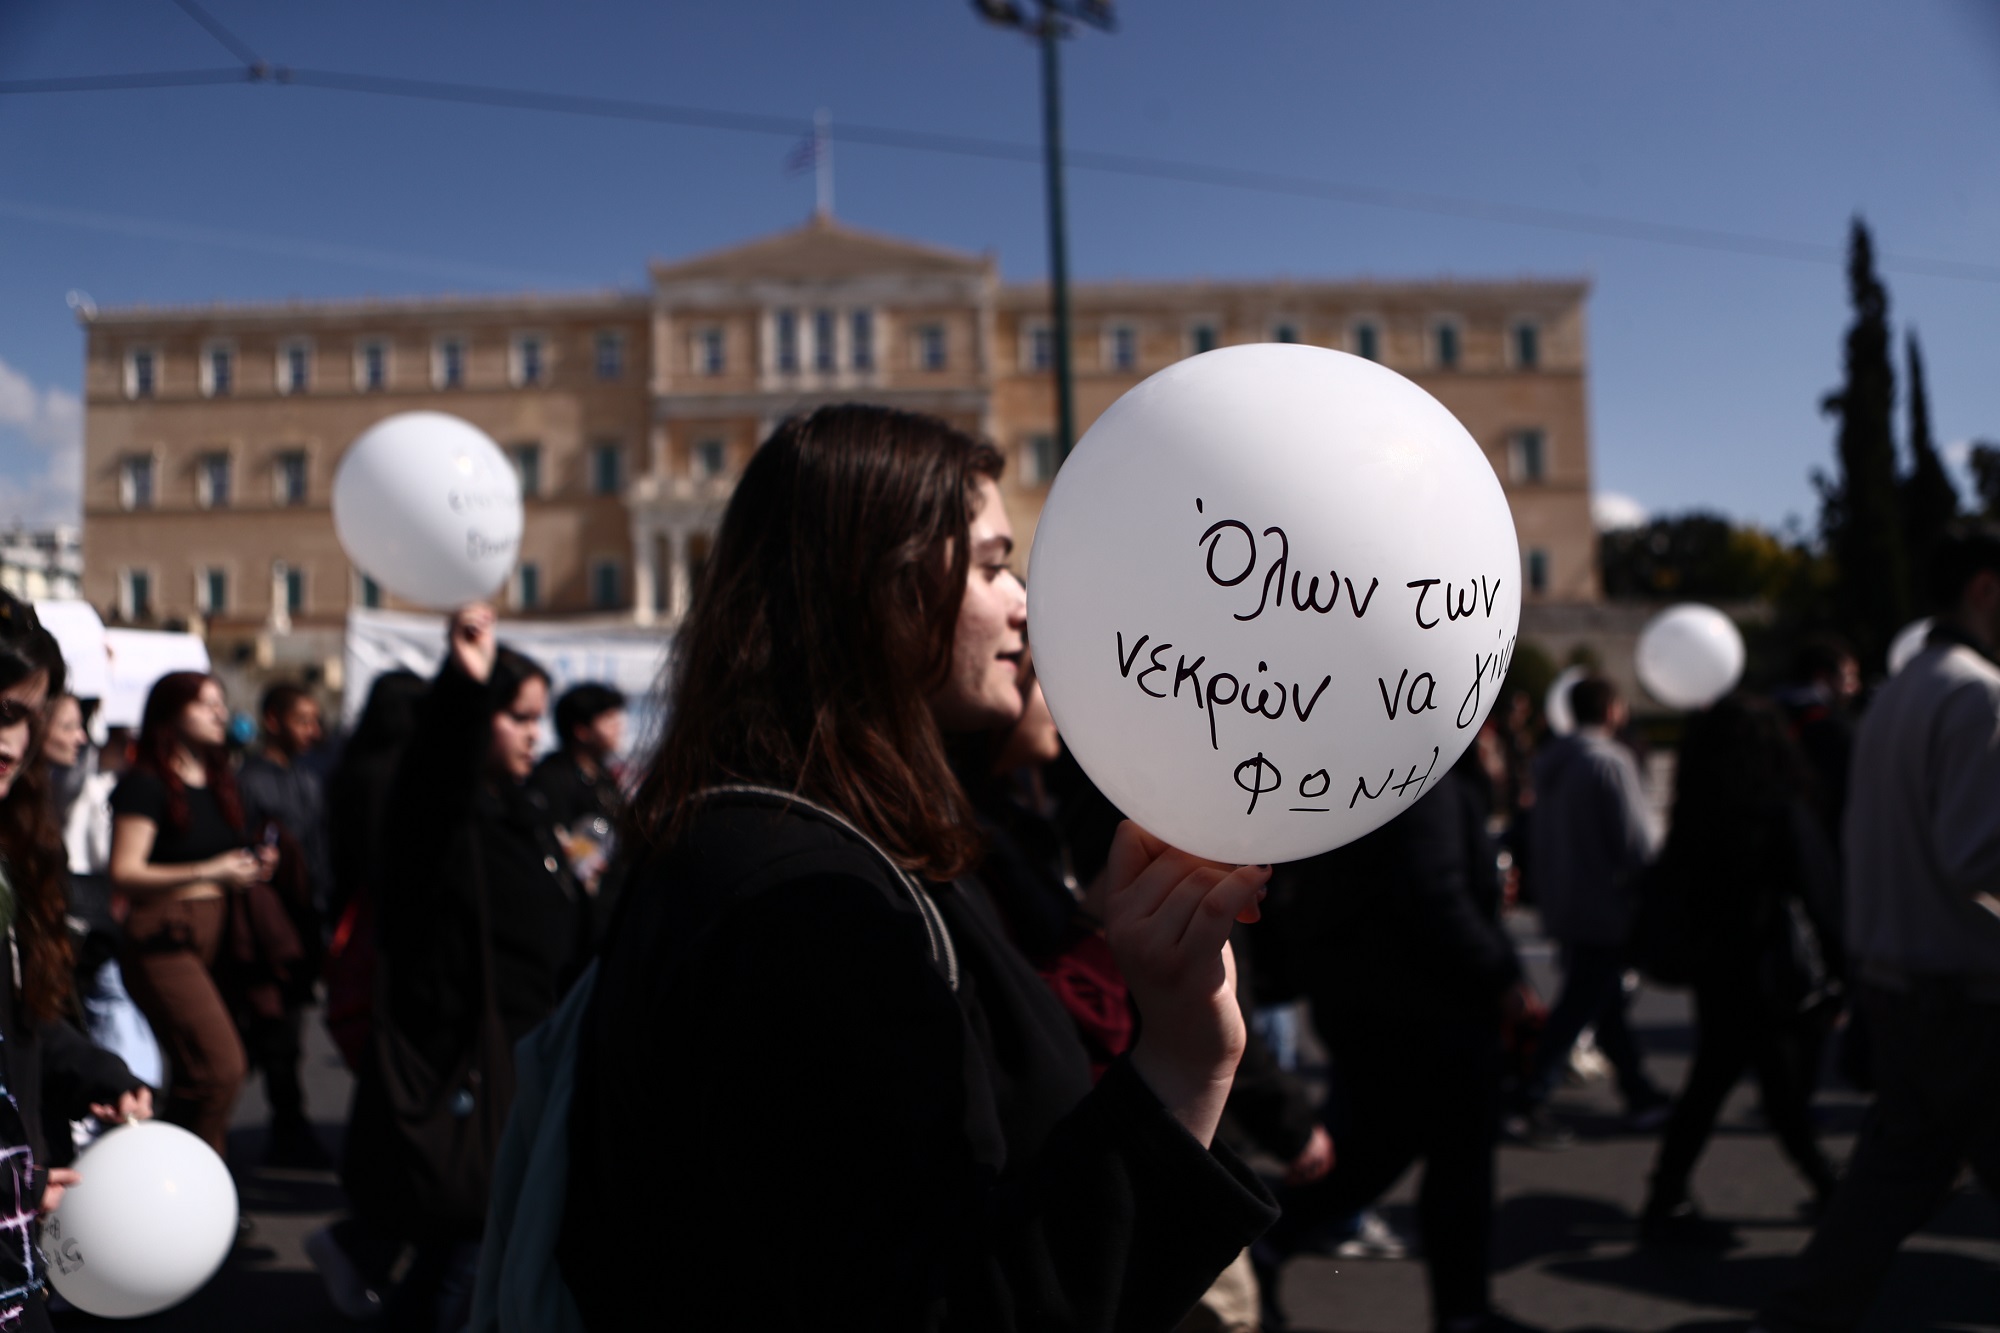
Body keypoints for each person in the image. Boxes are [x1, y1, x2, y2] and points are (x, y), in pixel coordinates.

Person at [558, 405, 1278, 1330]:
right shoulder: (813, 908)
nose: (1023, 599)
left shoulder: (804, 843)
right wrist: (1182, 1061)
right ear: (877, 590)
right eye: (989, 565)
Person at [1757, 525, 2000, 1332]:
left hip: (1900, 986)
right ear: (1985, 590)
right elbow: (1980, 858)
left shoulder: (1898, 691)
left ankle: (1794, 1319)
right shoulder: (1979, 694)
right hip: (1970, 995)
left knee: (1891, 1179)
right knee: (1893, 1177)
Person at [338, 610, 591, 1331]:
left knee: (471, 1248)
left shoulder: (522, 804)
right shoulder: (443, 814)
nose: (533, 735)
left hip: (527, 1050)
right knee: (471, 1247)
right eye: (517, 717)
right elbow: (431, 781)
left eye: (538, 719)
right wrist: (464, 686)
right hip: (466, 1060)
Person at [1267, 743, 1536, 1333]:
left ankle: (1267, 1242)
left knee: (1383, 1151)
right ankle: (1263, 1242)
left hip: (1384, 1003)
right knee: (1423, 1160)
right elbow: (1435, 890)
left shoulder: (1385, 763)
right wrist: (1502, 975)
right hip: (1424, 1010)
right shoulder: (1422, 773)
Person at [0, 598, 153, 1332]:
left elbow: (26, 1022)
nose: (12, 741)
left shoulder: (19, 849)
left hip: (16, 1248)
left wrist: (102, 1073)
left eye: (26, 716)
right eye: (0, 710)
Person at [1638, 696, 1840, 1247]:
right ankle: (1830, 1187)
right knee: (1777, 1091)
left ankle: (1666, 1190)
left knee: (1713, 1081)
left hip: (1718, 971)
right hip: (1772, 973)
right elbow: (1819, 895)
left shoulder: (1696, 813)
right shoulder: (1781, 808)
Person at [109, 672, 272, 1157]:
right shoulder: (146, 784)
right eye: (205, 704)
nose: (220, 713)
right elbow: (124, 872)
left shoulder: (221, 780)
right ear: (171, 714)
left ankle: (186, 1184)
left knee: (196, 1073)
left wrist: (252, 864)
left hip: (216, 938)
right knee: (222, 1067)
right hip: (164, 939)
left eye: (221, 702)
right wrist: (210, 871)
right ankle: (191, 1176)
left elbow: (220, 857)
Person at [1513, 676, 1668, 1143]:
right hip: (1604, 903)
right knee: (1582, 1002)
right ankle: (1529, 1096)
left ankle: (1639, 1090)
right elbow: (1638, 844)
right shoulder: (1609, 761)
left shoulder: (1550, 763)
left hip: (1564, 899)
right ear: (1611, 709)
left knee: (1600, 1000)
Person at [45, 694, 163, 1090]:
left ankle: (130, 1084)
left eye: (84, 727)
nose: (81, 739)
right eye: (67, 727)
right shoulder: (65, 784)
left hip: (87, 905)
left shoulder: (99, 783)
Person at [235, 681, 330, 1168]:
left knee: (285, 1030)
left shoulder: (310, 778)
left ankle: (288, 1125)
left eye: (316, 720)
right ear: (273, 720)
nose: (313, 731)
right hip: (269, 928)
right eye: (302, 720)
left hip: (304, 920)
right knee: (268, 1030)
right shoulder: (250, 780)